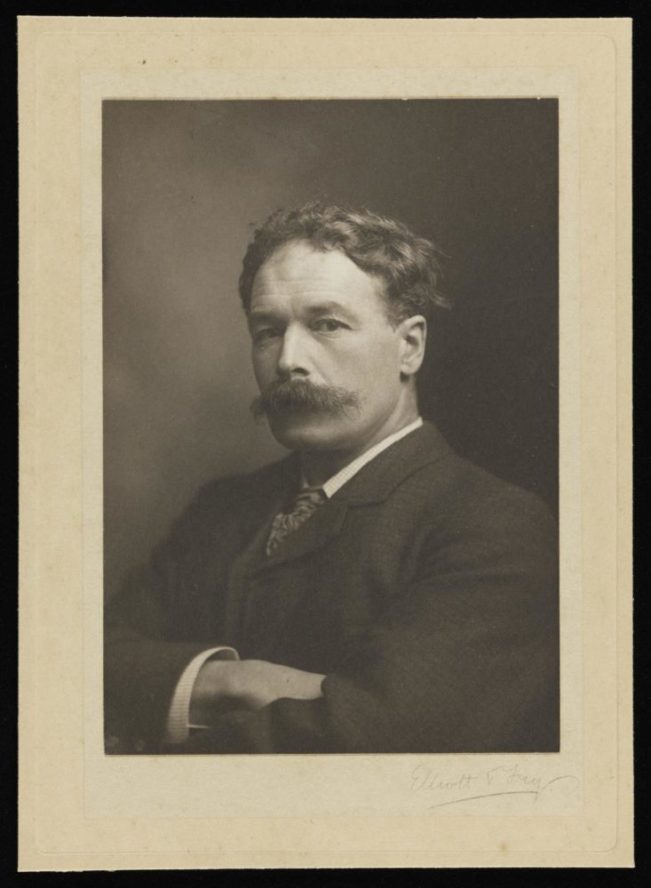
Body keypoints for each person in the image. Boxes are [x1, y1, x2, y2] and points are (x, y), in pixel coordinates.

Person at [104, 202, 559, 755]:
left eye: (327, 325)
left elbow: (385, 738)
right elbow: (82, 665)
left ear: (410, 346)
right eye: (268, 331)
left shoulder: (493, 525)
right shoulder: (220, 510)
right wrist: (233, 680)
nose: (288, 360)